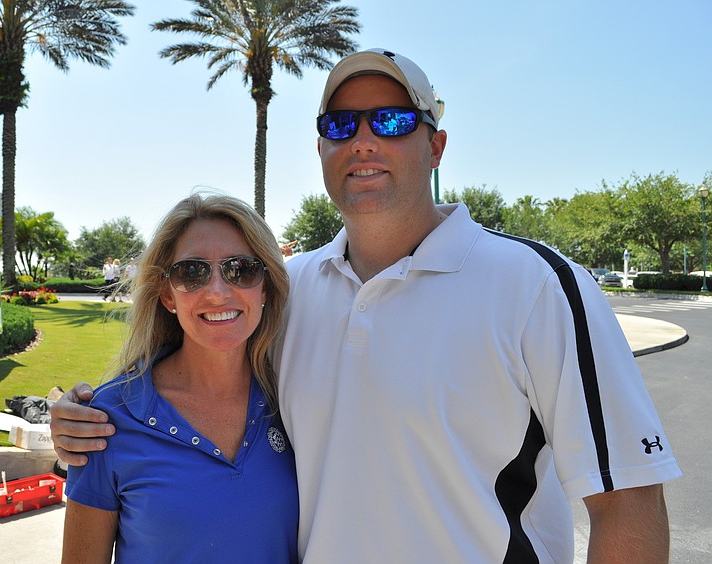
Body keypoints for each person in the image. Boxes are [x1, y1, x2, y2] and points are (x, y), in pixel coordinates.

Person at [51, 49, 680, 562]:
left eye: (393, 121)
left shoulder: (539, 286)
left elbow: (629, 501)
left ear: (436, 146)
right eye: (340, 125)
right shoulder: (284, 293)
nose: (364, 141)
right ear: (322, 152)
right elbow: (187, 376)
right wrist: (83, 418)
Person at [60, 194, 297, 563]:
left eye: (241, 269)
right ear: (167, 295)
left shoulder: (293, 398)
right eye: (192, 272)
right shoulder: (105, 420)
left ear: (265, 286)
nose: (218, 292)